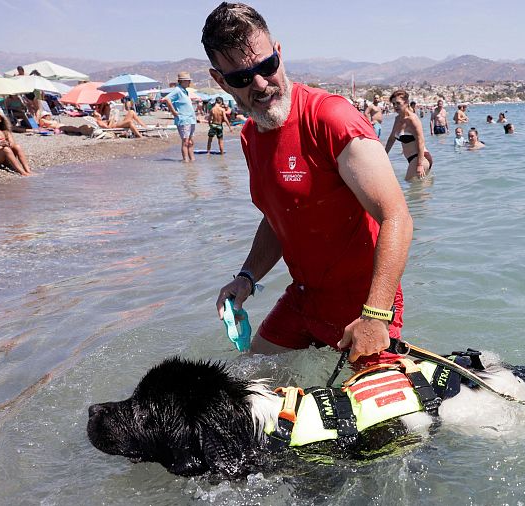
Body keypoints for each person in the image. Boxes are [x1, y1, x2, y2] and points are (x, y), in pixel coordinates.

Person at [202, 2, 413, 364]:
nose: (260, 84)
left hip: (364, 307)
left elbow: (396, 217)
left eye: (267, 66)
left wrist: (375, 316)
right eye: (240, 78)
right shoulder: (251, 135)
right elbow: (278, 218)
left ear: (279, 53)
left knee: (386, 419)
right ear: (220, 81)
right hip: (304, 299)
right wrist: (247, 277)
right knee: (250, 381)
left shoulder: (330, 117)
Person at [385, 90, 433, 181]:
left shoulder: (413, 119)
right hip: (412, 159)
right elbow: (391, 139)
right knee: (420, 192)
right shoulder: (397, 119)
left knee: (409, 185)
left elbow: (421, 141)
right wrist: (384, 155)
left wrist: (419, 164)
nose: (395, 106)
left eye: (398, 103)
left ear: (406, 103)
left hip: (421, 158)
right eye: (393, 103)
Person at [162, 71, 198, 162]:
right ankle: (185, 160)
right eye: (187, 81)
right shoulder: (177, 90)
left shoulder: (185, 91)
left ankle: (192, 160)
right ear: (181, 81)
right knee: (185, 141)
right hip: (183, 119)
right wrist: (174, 112)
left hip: (190, 119)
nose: (189, 82)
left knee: (190, 141)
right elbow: (166, 99)